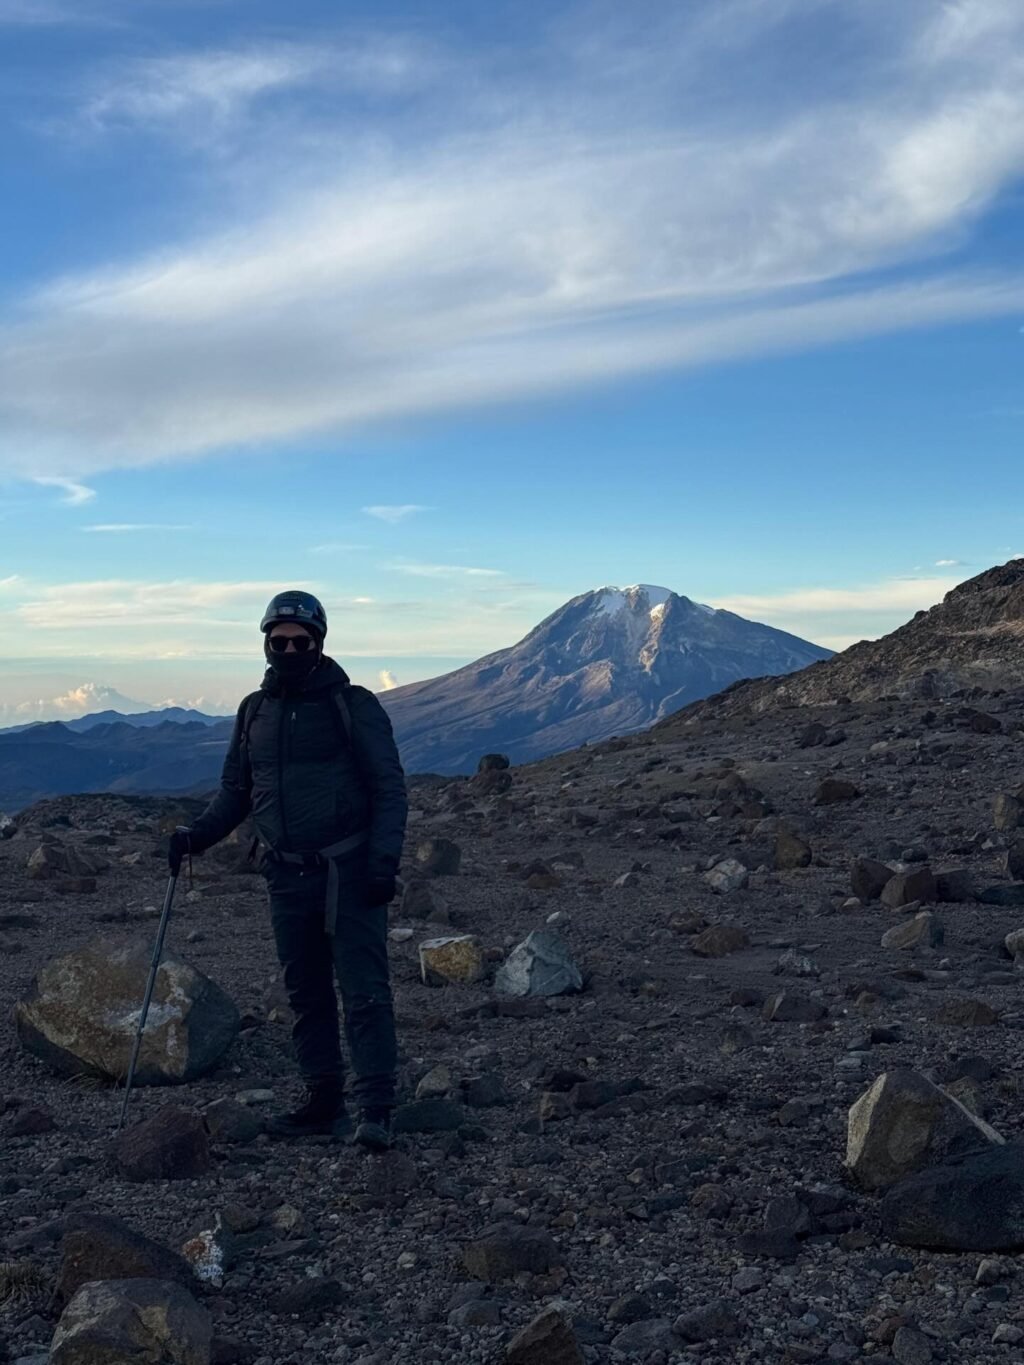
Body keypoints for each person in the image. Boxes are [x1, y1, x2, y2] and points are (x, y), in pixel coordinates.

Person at [169, 590, 407, 1150]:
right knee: (306, 992)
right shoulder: (256, 710)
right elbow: (237, 791)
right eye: (279, 641)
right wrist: (194, 837)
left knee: (364, 990)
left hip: (347, 871)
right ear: (266, 642)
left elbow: (389, 789)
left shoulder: (354, 704)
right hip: (285, 874)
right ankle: (323, 1100)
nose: (290, 649)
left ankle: (376, 1108)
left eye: (301, 641)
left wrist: (382, 864)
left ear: (319, 643)